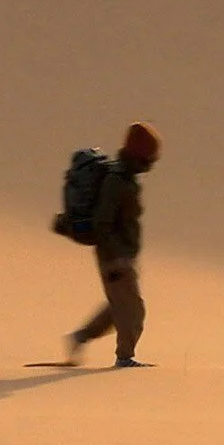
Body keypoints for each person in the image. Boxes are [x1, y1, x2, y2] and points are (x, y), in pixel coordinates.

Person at [63, 123, 159, 368]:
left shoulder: (126, 177)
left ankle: (79, 338)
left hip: (122, 255)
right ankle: (124, 357)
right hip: (115, 257)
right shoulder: (117, 181)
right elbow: (102, 222)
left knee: (119, 307)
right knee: (133, 311)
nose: (152, 162)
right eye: (150, 155)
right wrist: (115, 258)